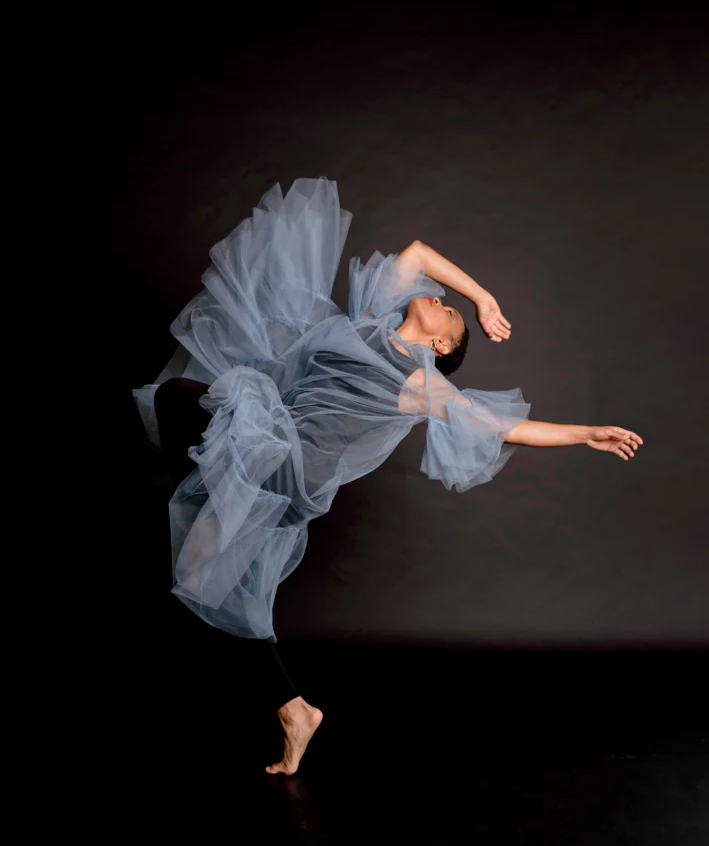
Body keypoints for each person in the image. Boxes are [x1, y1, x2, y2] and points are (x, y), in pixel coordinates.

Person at [133, 178, 643, 775]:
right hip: (267, 434)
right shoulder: (374, 318)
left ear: (438, 345)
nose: (436, 299)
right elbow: (418, 254)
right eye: (442, 301)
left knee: (188, 478)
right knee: (196, 565)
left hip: (285, 462)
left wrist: (586, 434)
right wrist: (480, 298)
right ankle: (295, 708)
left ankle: (286, 705)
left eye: (447, 314)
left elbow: (500, 427)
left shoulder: (419, 383)